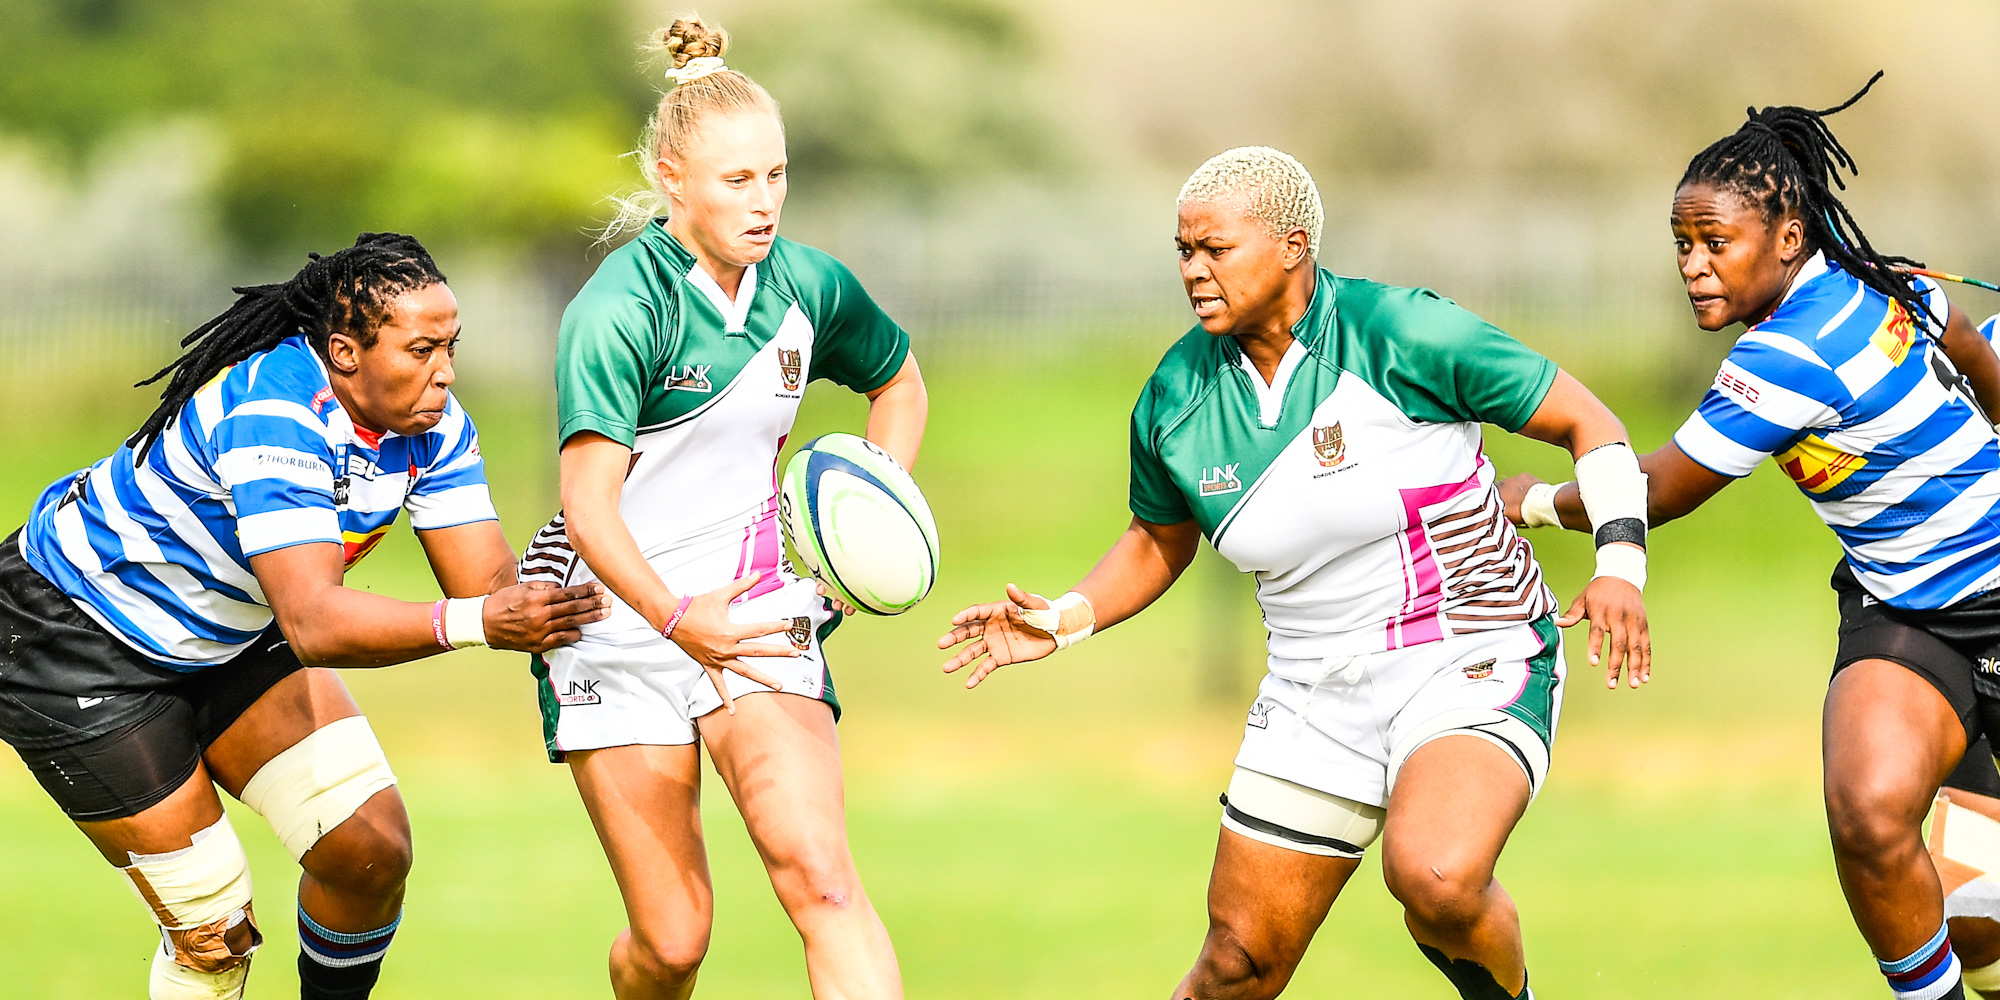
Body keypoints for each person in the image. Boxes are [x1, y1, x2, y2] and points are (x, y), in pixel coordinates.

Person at [938, 146, 1649, 1000]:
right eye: (1182, 251)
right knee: (1236, 965)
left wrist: (1619, 566)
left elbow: (1591, 422)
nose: (1194, 271)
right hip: (1314, 687)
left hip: (1467, 648)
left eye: (1216, 250)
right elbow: (1157, 540)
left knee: (1436, 875)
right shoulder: (1177, 395)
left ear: (1292, 244)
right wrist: (1063, 617)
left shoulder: (1401, 332)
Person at [0, 232, 607, 1000]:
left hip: (233, 629)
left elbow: (487, 584)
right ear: (345, 352)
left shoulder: (433, 424)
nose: (445, 373)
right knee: (213, 934)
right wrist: (483, 620)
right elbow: (317, 624)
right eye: (421, 349)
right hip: (74, 640)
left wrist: (591, 563)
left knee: (369, 850)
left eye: (451, 346)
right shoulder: (274, 408)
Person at [1501, 75, 2000, 1000]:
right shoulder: (1868, 287)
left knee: (1982, 928)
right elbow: (1968, 338)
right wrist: (1970, 348)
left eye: (1714, 242)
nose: (1693, 264)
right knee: (1870, 817)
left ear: (1789, 237)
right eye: (1683, 244)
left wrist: (1534, 501)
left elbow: (1657, 490)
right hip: (1911, 615)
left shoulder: (1789, 353)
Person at [517, 17, 926, 1000]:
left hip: (751, 610)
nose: (764, 202)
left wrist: (863, 510)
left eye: (775, 175)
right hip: (617, 619)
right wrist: (671, 615)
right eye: (737, 180)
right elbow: (585, 506)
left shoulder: (809, 285)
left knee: (821, 880)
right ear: (672, 177)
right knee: (672, 943)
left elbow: (899, 382)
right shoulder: (620, 309)